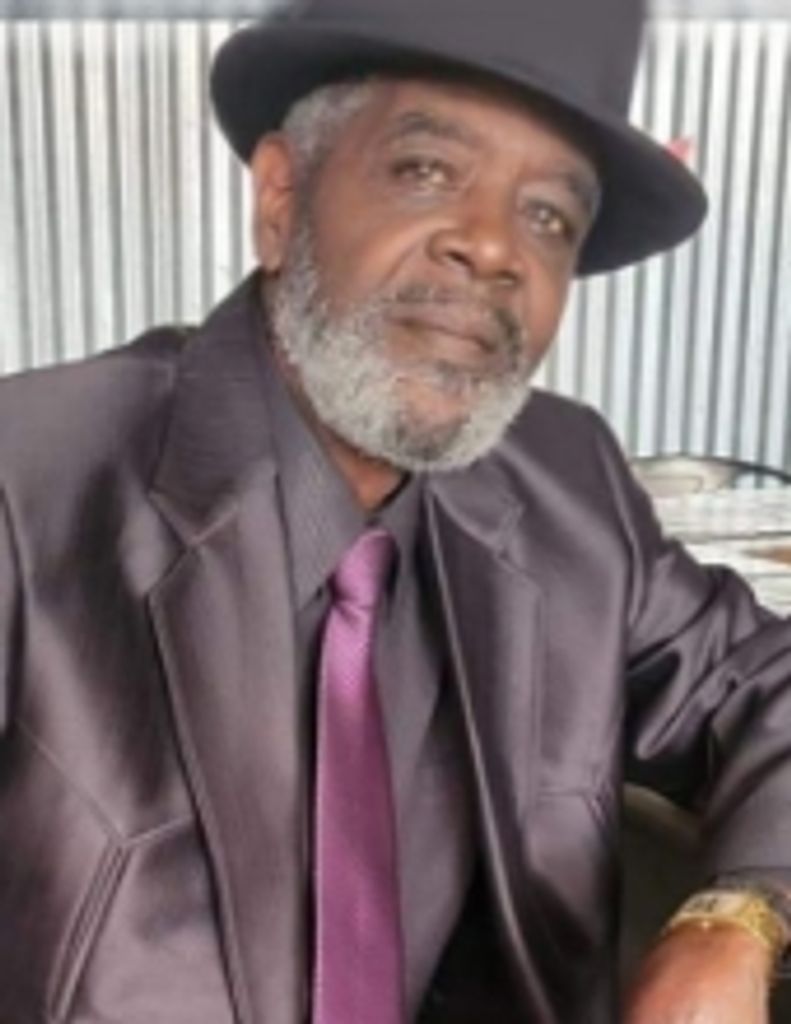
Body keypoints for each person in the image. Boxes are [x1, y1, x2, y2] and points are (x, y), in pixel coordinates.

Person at [2, 0, 791, 1021]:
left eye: (548, 216)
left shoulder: (566, 488)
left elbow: (766, 684)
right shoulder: (31, 485)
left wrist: (735, 916)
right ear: (281, 197)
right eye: (425, 169)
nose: (491, 246)